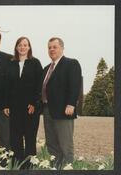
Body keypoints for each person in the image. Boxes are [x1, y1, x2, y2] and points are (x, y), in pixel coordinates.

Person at [42, 37, 82, 169]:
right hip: (48, 110)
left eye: (55, 47)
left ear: (62, 48)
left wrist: (71, 104)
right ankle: (56, 167)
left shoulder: (71, 63)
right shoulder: (46, 68)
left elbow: (75, 85)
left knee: (65, 145)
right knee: (52, 144)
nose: (51, 50)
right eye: (49, 47)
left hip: (64, 111)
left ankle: (68, 168)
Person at [3, 37, 43, 167]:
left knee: (30, 138)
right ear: (16, 47)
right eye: (20, 45)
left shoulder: (35, 63)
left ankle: (30, 166)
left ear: (29, 47)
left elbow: (39, 85)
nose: (22, 47)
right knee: (16, 138)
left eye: (25, 45)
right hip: (14, 108)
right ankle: (17, 164)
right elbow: (6, 86)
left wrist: (34, 103)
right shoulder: (10, 63)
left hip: (30, 108)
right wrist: (6, 105)